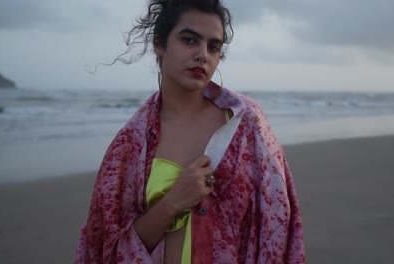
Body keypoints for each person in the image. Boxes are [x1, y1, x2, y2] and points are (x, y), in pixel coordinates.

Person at [75, 0, 305, 263]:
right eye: (189, 40)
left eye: (214, 47)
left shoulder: (246, 125)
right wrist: (174, 201)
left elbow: (280, 227)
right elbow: (107, 250)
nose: (203, 55)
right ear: (159, 44)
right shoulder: (130, 145)